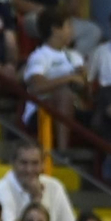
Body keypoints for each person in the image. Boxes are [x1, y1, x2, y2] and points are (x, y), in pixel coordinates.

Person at [20, 9, 88, 151]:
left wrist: (83, 79)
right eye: (68, 26)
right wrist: (68, 78)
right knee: (64, 94)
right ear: (55, 29)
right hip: (39, 112)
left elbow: (84, 89)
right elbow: (36, 87)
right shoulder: (40, 56)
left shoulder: (74, 56)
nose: (72, 31)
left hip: (74, 108)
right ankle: (63, 152)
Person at [0, 143, 75, 221]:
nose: (29, 170)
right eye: (24, 163)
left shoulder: (55, 187)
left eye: (35, 163)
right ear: (13, 164)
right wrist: (35, 199)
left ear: (43, 165)